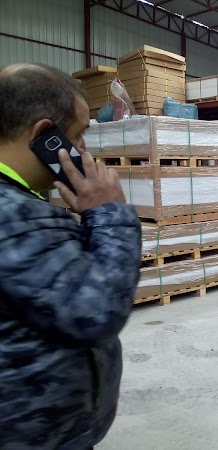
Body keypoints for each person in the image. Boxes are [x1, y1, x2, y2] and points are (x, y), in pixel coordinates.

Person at [0, 64, 142, 448]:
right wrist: (110, 213)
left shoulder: (22, 208)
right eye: (78, 136)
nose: (83, 150)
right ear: (45, 136)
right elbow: (96, 312)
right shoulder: (15, 218)